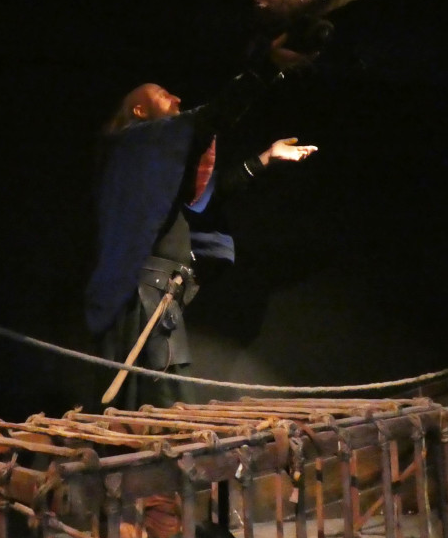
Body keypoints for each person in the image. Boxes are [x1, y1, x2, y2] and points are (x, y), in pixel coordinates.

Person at [85, 63, 318, 410]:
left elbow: (208, 195)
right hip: (144, 300)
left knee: (154, 406)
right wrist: (266, 66)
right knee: (158, 407)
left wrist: (265, 159)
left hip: (160, 297)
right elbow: (215, 116)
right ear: (139, 111)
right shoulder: (132, 148)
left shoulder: (151, 165)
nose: (176, 97)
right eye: (164, 96)